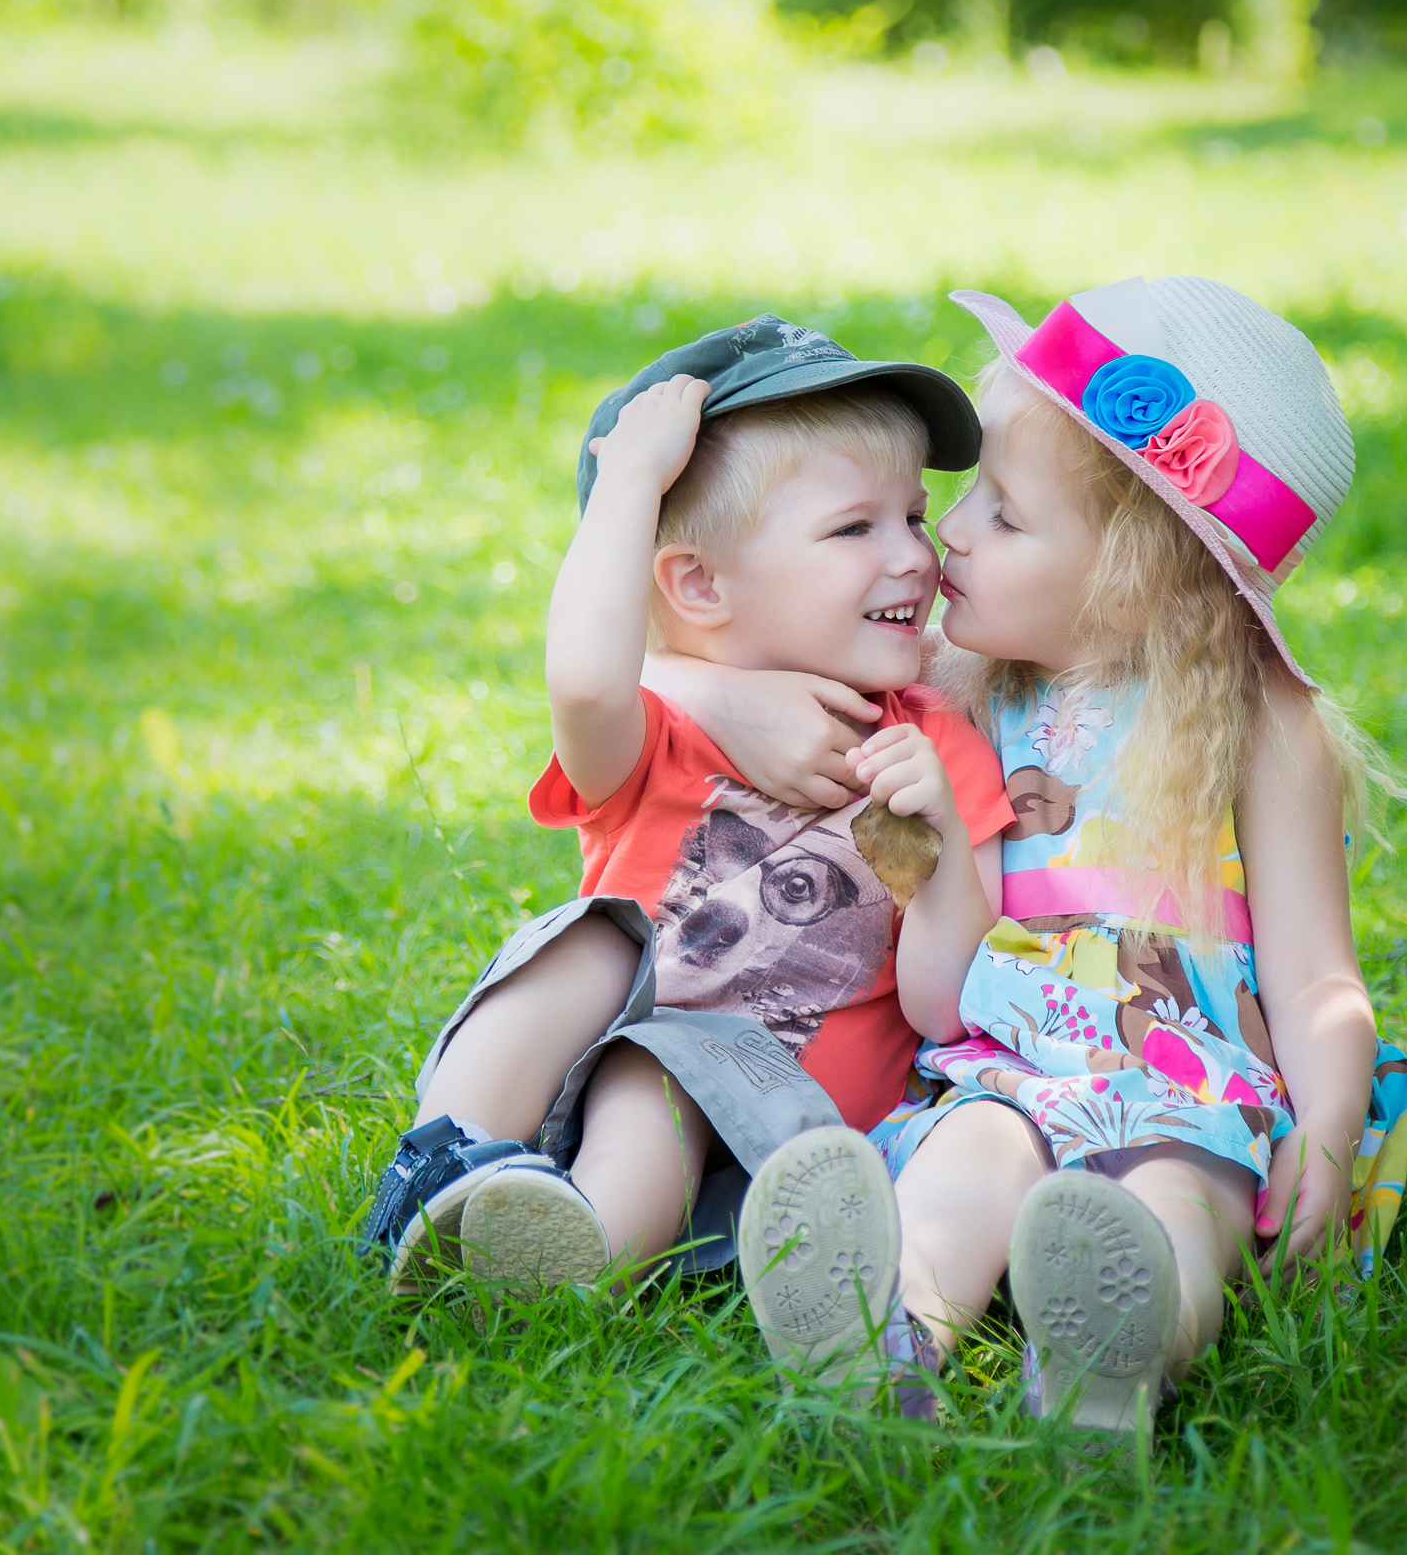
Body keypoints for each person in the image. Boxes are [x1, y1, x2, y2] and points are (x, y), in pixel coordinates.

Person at [655, 277, 1407, 1430]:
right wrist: (715, 688)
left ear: (1137, 579)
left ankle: (1118, 1354)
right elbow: (662, 668)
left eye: (1006, 515)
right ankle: (885, 1341)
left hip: (1192, 1076)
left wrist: (1323, 1127)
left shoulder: (1263, 723)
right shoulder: (952, 687)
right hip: (1004, 1051)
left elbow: (1317, 973)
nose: (951, 532)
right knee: (971, 1156)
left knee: (1178, 1196)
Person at [355, 317, 1016, 1345]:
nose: (913, 557)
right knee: (593, 958)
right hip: (623, 1085)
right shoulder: (658, 737)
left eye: (914, 517)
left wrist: (934, 852)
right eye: (855, 529)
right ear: (699, 584)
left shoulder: (935, 747)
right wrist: (631, 481)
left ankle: (563, 1264)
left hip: (805, 1152)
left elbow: (946, 1008)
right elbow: (586, 678)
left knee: (667, 1071)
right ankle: (458, 1180)